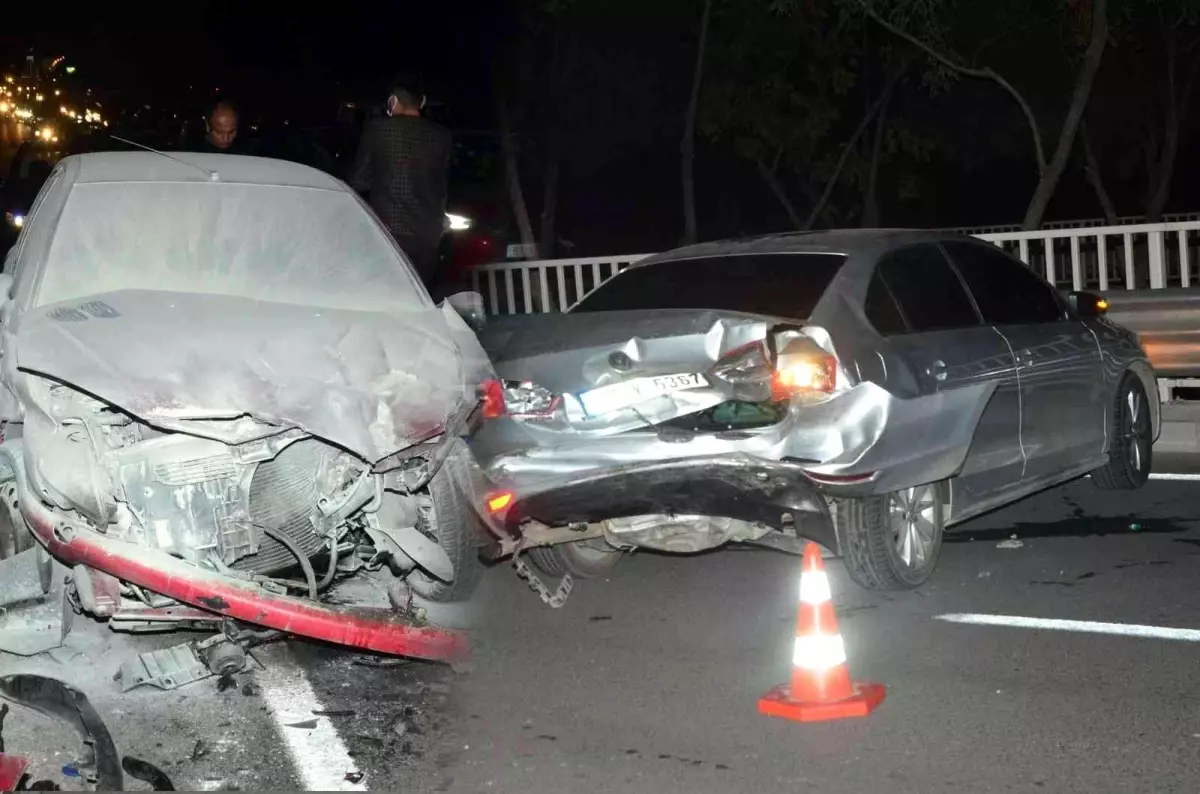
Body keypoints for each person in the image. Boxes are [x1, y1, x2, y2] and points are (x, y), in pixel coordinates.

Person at [349, 77, 453, 292]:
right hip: (429, 232)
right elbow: (441, 183)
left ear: (393, 101)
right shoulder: (442, 136)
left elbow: (359, 180)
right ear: (422, 102)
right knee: (421, 294)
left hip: (389, 230)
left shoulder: (378, 129)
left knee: (389, 293)